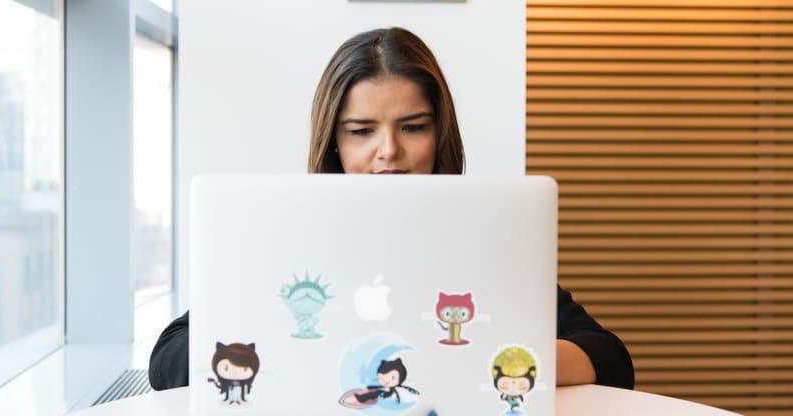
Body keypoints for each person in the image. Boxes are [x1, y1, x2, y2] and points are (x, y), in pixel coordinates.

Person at [149, 27, 634, 392]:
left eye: (413, 126)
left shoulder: (482, 232)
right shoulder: (292, 231)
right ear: (334, 141)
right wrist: (299, 355)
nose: (388, 151)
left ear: (439, 133)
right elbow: (168, 358)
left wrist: (479, 362)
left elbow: (610, 359)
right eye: (361, 131)